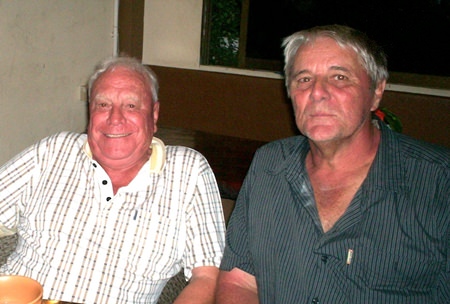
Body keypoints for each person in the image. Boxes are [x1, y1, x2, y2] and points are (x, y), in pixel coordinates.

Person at [216, 24, 450, 303]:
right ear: (290, 93)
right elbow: (239, 281)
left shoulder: (439, 181)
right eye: (303, 79)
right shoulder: (269, 165)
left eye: (339, 77)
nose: (317, 92)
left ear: (377, 91)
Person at [0, 57, 226, 303]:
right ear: (90, 111)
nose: (115, 118)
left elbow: (208, 277)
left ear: (154, 114)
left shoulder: (188, 171)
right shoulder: (53, 151)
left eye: (131, 105)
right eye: (103, 104)